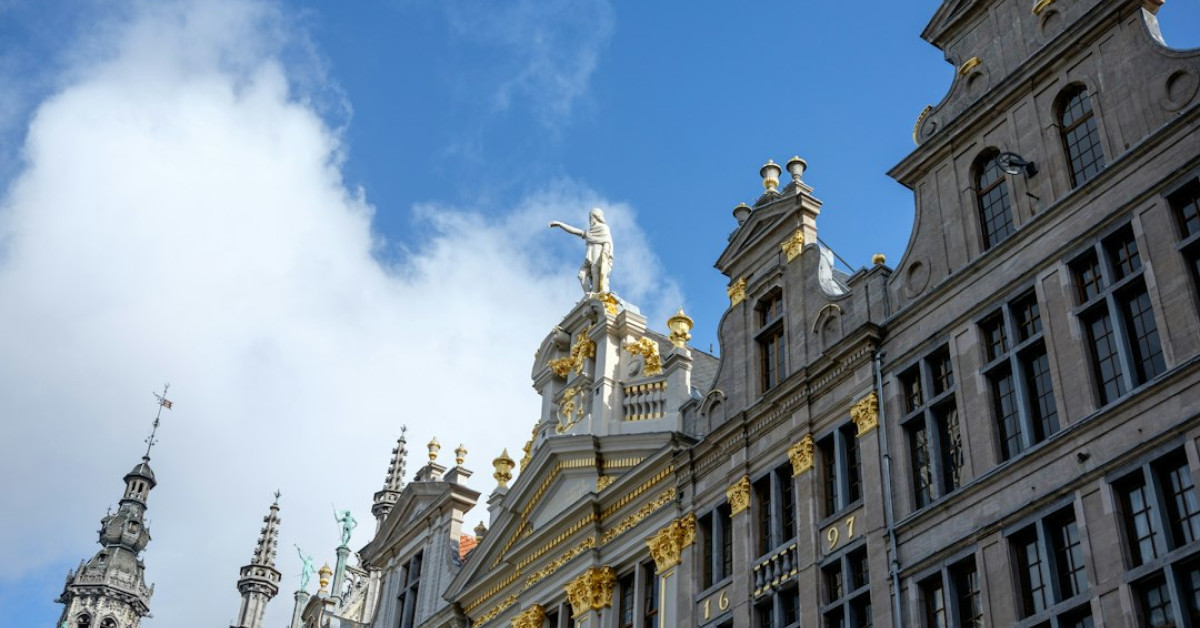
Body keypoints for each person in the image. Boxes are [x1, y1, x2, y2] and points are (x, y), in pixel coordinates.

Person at [549, 208, 614, 295]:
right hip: (590, 255)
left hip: (598, 252)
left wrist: (605, 254)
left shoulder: (603, 228)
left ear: (596, 217)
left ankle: (594, 294)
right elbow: (576, 231)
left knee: (595, 270)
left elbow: (607, 241)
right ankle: (589, 295)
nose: (590, 220)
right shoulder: (589, 232)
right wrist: (560, 224)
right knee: (581, 274)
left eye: (591, 218)